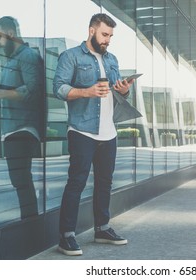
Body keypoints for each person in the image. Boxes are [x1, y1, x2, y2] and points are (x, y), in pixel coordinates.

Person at [53, 13, 137, 256]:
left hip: (108, 132)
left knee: (104, 183)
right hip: (82, 130)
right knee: (76, 183)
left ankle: (102, 228)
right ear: (91, 31)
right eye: (104, 34)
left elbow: (115, 93)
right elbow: (58, 88)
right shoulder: (71, 56)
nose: (108, 40)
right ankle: (66, 236)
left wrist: (124, 91)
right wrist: (86, 91)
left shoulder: (112, 59)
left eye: (110, 36)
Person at [0, 16, 44, 219]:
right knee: (19, 180)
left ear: (10, 34)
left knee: (21, 179)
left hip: (23, 128)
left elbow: (32, 90)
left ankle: (30, 223)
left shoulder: (28, 56)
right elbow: (12, 90)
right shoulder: (12, 61)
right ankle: (29, 221)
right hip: (12, 128)